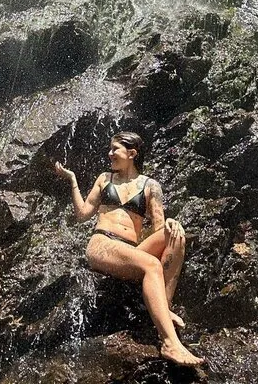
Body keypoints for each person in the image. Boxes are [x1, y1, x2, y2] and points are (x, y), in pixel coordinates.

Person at [54, 131, 204, 367]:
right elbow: (83, 214)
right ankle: (169, 343)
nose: (110, 153)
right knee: (152, 265)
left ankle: (162, 308)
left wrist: (171, 223)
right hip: (102, 243)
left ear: (132, 153)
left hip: (129, 250)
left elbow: (158, 227)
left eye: (115, 149)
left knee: (176, 235)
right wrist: (72, 180)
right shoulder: (105, 178)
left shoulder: (150, 186)